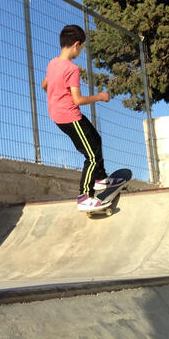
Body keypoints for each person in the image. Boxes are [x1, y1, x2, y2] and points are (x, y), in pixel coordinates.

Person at [41, 25, 124, 211]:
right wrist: (100, 97)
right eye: (82, 47)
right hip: (70, 116)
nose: (80, 51)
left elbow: (44, 84)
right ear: (76, 45)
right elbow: (78, 99)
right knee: (92, 155)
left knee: (96, 139)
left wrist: (53, 93)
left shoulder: (53, 63)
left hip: (59, 115)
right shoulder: (72, 68)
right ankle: (85, 196)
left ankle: (101, 179)